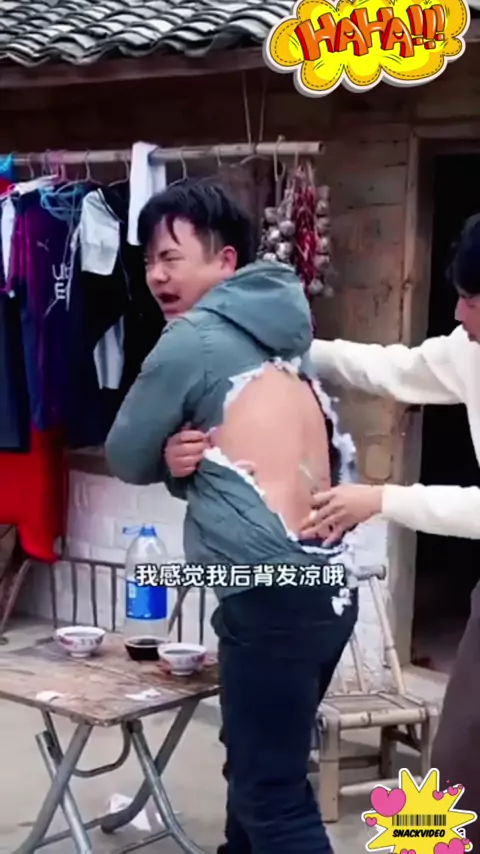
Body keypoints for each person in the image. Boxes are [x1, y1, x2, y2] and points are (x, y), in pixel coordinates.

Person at [167, 212, 480, 844]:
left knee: (275, 792)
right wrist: (263, 339)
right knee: (454, 770)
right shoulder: (468, 349)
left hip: (285, 609)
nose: (458, 312)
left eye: (472, 299)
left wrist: (382, 498)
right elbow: (388, 367)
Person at [105, 180, 359, 854]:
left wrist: (167, 459)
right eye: (149, 261)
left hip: (270, 598)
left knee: (271, 796)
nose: (156, 276)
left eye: (171, 258)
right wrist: (180, 458)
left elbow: (125, 454)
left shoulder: (193, 337)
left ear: (225, 262)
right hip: (327, 590)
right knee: (256, 769)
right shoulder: (286, 337)